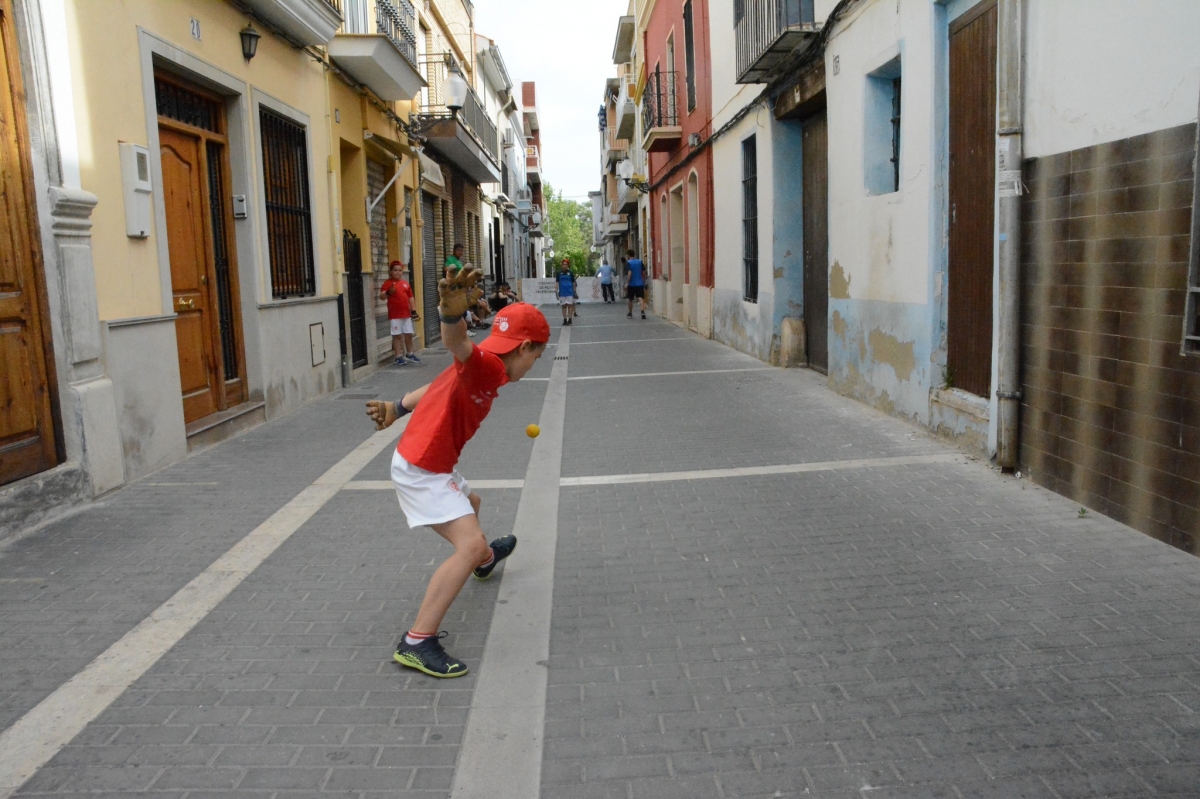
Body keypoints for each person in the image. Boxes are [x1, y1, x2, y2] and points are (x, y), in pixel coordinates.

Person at [364, 269, 549, 678]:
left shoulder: (482, 366)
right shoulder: (486, 367)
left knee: (472, 504)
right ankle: (417, 641)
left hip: (428, 461)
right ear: (524, 347)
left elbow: (437, 385)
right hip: (422, 468)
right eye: (536, 357)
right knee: (468, 543)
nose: (535, 366)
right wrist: (450, 318)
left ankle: (485, 562)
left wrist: (397, 408)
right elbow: (458, 345)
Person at [379, 261, 420, 365]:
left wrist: (413, 310)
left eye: (400, 270)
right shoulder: (387, 283)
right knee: (397, 336)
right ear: (391, 272)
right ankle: (398, 356)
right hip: (395, 315)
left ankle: (410, 354)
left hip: (406, 314)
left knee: (409, 334)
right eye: (395, 270)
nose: (398, 272)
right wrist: (388, 292)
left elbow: (411, 297)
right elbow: (382, 296)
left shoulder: (405, 284)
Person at [625, 248, 647, 320]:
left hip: (632, 284)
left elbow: (629, 273)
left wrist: (627, 283)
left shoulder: (628, 263)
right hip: (640, 283)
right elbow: (644, 272)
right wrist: (644, 280)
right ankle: (642, 312)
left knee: (630, 299)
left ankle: (630, 313)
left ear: (628, 255)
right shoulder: (640, 261)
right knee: (641, 298)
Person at [555, 258, 576, 325]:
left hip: (569, 292)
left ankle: (570, 318)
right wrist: (556, 290)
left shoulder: (570, 273)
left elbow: (573, 282)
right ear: (562, 265)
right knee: (563, 306)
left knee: (570, 305)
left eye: (566, 264)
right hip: (562, 292)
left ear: (568, 265)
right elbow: (557, 282)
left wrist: (574, 291)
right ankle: (564, 319)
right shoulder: (559, 273)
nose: (565, 266)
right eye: (563, 264)